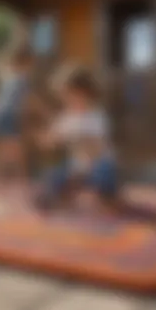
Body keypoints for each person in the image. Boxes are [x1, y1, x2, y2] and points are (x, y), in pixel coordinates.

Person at [35, 68, 118, 212]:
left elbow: (98, 150)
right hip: (76, 169)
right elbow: (48, 142)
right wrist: (47, 138)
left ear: (85, 93)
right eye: (64, 96)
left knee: (105, 172)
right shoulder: (66, 118)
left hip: (97, 167)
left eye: (70, 95)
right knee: (54, 177)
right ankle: (67, 196)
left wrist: (78, 139)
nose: (67, 100)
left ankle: (105, 196)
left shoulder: (97, 117)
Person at [0, 45, 34, 198]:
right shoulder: (22, 78)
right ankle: (23, 183)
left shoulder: (6, 75)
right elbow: (28, 101)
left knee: (1, 150)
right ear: (27, 62)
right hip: (8, 115)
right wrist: (46, 113)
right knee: (18, 150)